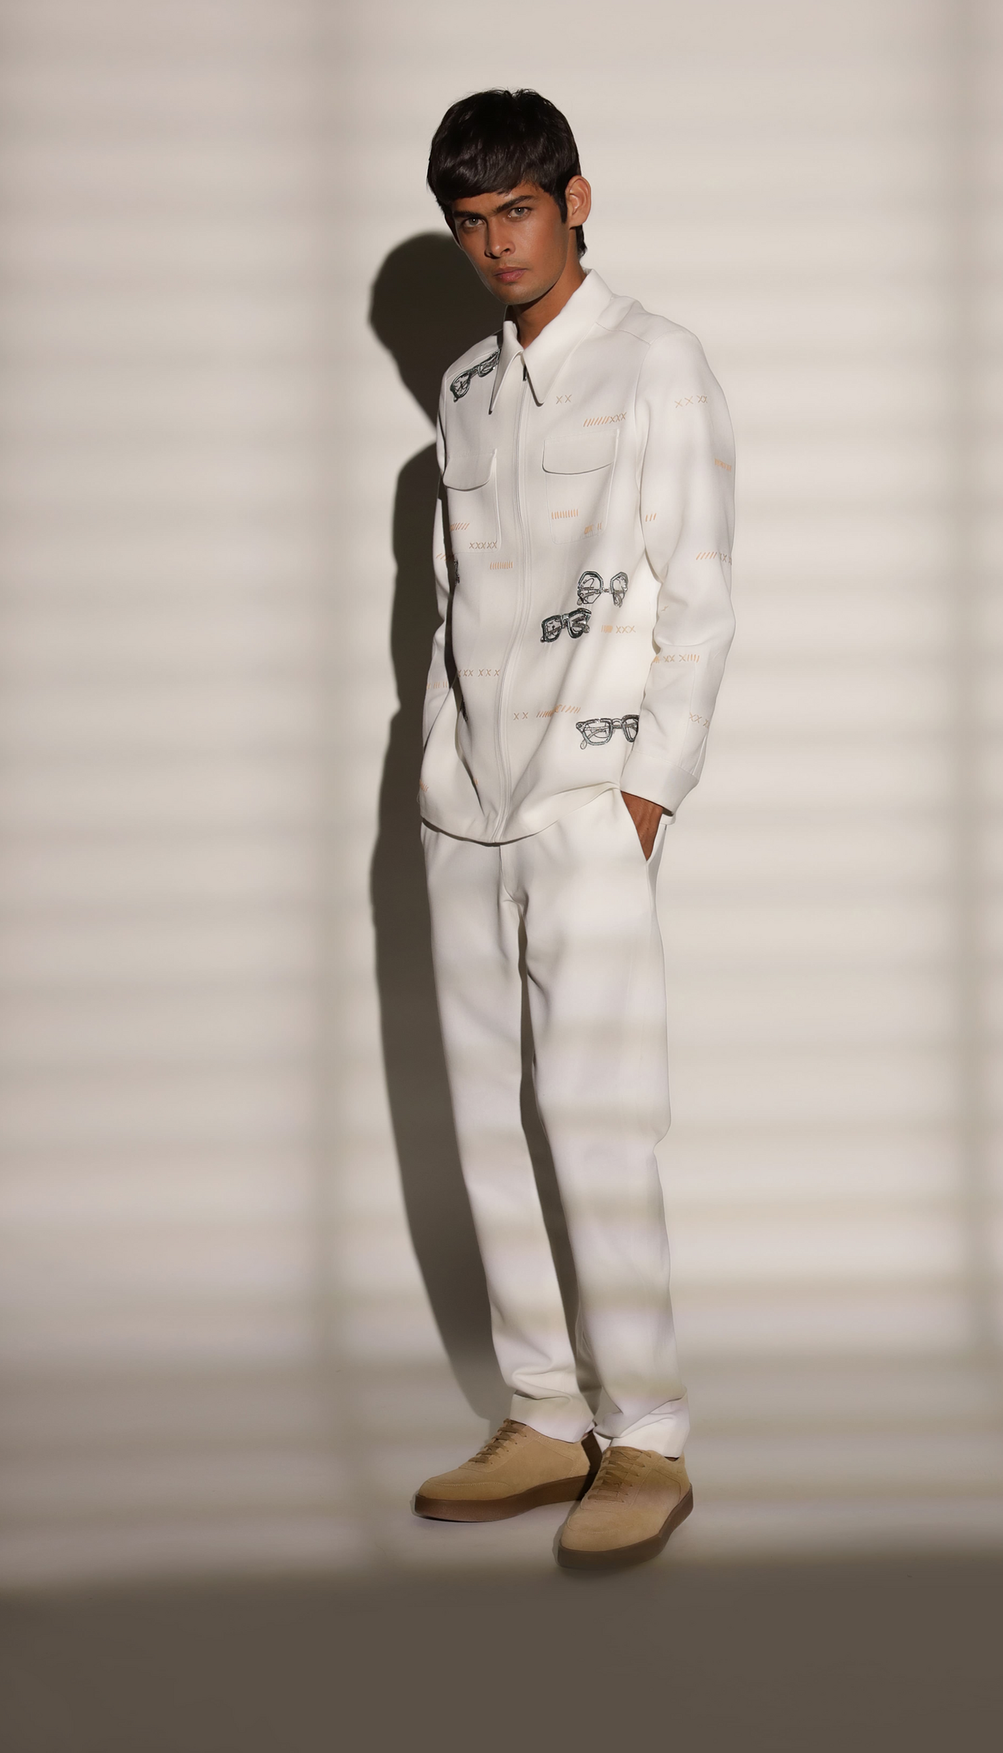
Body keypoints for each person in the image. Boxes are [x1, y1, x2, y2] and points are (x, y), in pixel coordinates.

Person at [411, 89, 735, 1569]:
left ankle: (645, 1435)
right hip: (463, 810)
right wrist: (438, 770)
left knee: (599, 1123)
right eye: (471, 222)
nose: (497, 244)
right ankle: (544, 1413)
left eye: (519, 212)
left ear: (574, 202)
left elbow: (701, 596)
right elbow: (451, 603)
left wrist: (645, 796)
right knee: (489, 1123)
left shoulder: (658, 362)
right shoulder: (466, 391)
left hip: (589, 803)